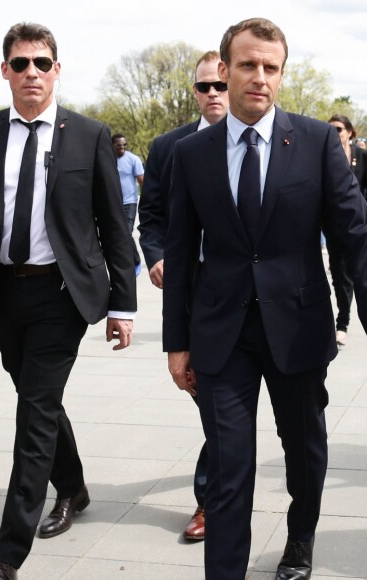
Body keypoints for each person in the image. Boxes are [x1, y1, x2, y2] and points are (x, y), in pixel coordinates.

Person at [163, 17, 367, 580]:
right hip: (221, 335)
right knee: (229, 468)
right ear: (223, 71)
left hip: (297, 329)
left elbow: (355, 235)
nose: (259, 77)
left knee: (303, 453)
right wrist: (176, 344)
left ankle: (300, 540)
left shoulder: (318, 142)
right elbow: (180, 254)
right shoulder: (192, 154)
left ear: (281, 74)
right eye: (247, 65)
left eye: (270, 67)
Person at [0, 22, 136, 580]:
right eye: (20, 63)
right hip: (3, 294)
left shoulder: (88, 133)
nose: (31, 73)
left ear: (57, 70)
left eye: (42, 63)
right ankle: (72, 485)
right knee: (36, 399)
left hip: (63, 293)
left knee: (33, 412)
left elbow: (114, 224)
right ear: (5, 71)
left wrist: (124, 304)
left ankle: (7, 555)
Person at [138, 50, 228, 542]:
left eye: (220, 84)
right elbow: (150, 218)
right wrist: (155, 256)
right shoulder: (169, 147)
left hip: (256, 299)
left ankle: (215, 495)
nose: (213, 93)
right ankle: (214, 497)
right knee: (211, 401)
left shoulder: (265, 144)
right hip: (196, 300)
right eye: (203, 87)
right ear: (194, 93)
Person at [324, 114, 367, 347]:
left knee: (359, 274)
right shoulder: (326, 155)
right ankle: (342, 323)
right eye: (330, 129)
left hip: (361, 227)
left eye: (338, 129)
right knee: (340, 277)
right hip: (335, 228)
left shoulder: (361, 156)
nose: (334, 133)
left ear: (349, 132)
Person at [112, 134, 144, 276]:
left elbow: (142, 180)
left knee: (126, 231)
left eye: (124, 145)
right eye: (119, 145)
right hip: (112, 203)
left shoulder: (133, 159)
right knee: (116, 234)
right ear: (112, 145)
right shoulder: (107, 158)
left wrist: (147, 199)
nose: (122, 148)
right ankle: (122, 262)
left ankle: (136, 262)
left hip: (129, 202)